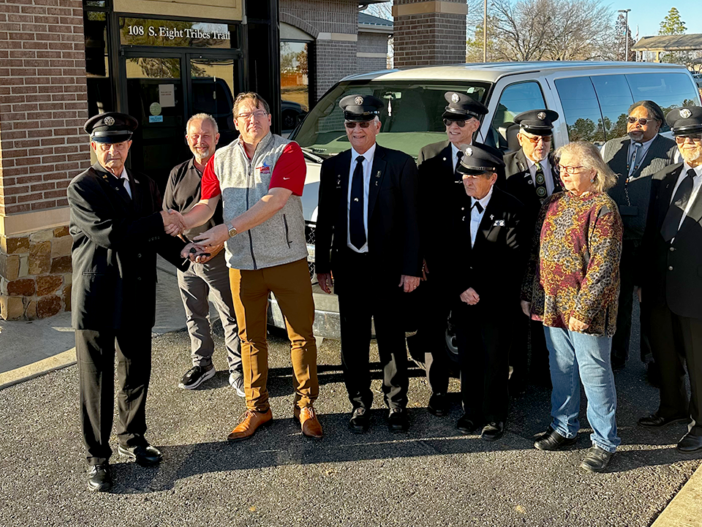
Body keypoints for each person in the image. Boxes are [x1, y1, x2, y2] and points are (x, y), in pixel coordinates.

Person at [171, 92, 323, 442]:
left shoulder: (288, 151)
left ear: (269, 118)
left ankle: (305, 405)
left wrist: (226, 231)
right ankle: (257, 408)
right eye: (244, 115)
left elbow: (275, 200)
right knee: (250, 338)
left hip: (286, 259)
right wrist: (183, 220)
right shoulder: (221, 158)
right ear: (235, 122)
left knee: (300, 336)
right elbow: (207, 204)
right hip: (241, 264)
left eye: (258, 113)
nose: (252, 119)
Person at [67, 112, 189, 492]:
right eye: (105, 145)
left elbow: (156, 236)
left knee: (136, 371)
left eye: (119, 144)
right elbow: (112, 234)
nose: (112, 152)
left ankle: (133, 438)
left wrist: (188, 253)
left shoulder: (144, 183)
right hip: (99, 297)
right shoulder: (82, 187)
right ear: (94, 147)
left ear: (129, 145)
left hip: (136, 293)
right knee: (97, 380)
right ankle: (97, 456)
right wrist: (160, 220)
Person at [315, 94, 420, 434]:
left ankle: (396, 404)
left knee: (391, 340)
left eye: (363, 123)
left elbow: (412, 222)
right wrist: (322, 266)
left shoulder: (399, 164)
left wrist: (411, 268)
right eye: (351, 124)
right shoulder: (333, 166)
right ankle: (359, 403)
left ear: (377, 125)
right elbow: (326, 221)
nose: (356, 130)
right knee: (353, 341)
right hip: (349, 268)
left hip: (388, 270)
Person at [522, 141, 622, 473]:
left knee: (594, 373)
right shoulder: (553, 202)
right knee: (561, 368)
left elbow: (604, 265)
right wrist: (528, 292)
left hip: (585, 311)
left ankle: (604, 441)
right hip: (552, 304)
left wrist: (584, 310)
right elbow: (536, 252)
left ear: (593, 171)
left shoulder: (603, 208)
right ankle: (564, 426)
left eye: (572, 168)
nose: (564, 174)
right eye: (561, 168)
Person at [414, 91, 489, 418]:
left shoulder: (489, 157)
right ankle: (439, 391)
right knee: (433, 329)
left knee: (471, 330)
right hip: (437, 262)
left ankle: (474, 394)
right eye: (448, 120)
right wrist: (418, 256)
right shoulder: (429, 155)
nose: (452, 126)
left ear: (475, 124)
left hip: (473, 262)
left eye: (459, 121)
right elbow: (418, 210)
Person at [446, 142, 525, 442]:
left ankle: (494, 416)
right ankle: (471, 411)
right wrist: (461, 288)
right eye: (464, 174)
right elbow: (445, 253)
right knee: (468, 357)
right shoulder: (454, 202)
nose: (467, 180)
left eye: (474, 175)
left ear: (492, 177)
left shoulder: (511, 208)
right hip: (463, 299)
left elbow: (513, 260)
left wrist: (479, 289)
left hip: (495, 301)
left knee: (495, 359)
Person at [637, 106, 702, 453]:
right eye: (682, 138)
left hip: (696, 287)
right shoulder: (665, 177)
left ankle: (701, 424)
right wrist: (642, 280)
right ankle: (672, 407)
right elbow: (652, 232)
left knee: (698, 360)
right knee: (664, 352)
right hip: (660, 284)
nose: (688, 144)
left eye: (696, 137)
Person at [164, 114, 244, 396]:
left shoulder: (230, 171)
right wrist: (184, 247)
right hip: (186, 257)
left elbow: (240, 215)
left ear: (217, 138)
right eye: (195, 136)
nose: (201, 141)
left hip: (221, 255)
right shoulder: (177, 173)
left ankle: (239, 369)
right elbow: (169, 216)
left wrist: (218, 245)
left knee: (231, 314)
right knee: (194, 313)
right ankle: (203, 364)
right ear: (187, 139)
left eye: (206, 135)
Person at [601, 100, 676, 375]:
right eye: (632, 119)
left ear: (658, 124)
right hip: (617, 236)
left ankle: (654, 360)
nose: (636, 125)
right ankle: (616, 356)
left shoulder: (671, 150)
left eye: (643, 121)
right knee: (618, 299)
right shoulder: (611, 147)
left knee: (651, 301)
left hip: (650, 238)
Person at [503, 109, 562, 394]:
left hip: (550, 256)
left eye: (546, 139)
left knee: (545, 313)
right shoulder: (504, 166)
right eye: (534, 139)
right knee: (516, 316)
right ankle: (517, 372)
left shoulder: (560, 167)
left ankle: (544, 368)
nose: (541, 144)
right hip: (516, 252)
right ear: (520, 138)